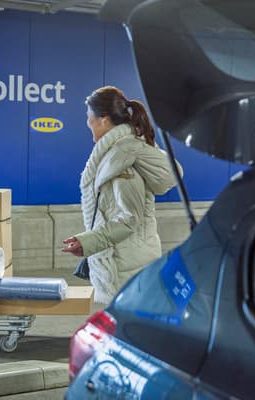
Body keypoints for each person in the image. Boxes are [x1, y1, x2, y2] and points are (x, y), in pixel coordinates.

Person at [61, 86, 181, 304]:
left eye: (89, 117)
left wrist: (88, 242)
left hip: (128, 267)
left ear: (103, 120)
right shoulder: (114, 154)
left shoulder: (122, 159)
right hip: (125, 262)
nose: (87, 123)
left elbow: (129, 220)